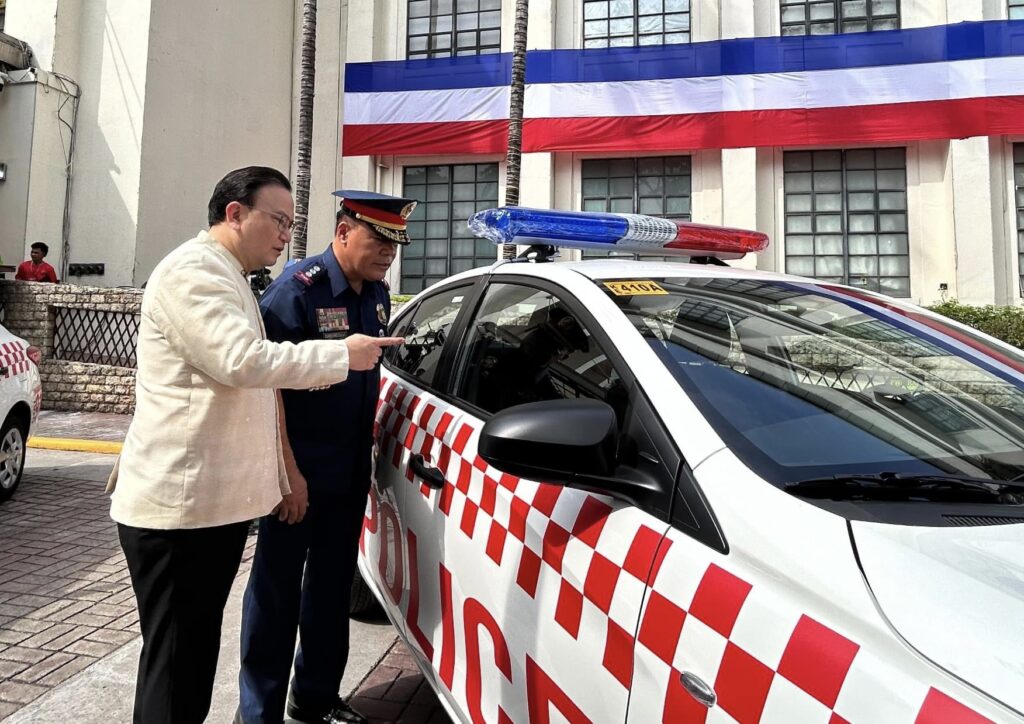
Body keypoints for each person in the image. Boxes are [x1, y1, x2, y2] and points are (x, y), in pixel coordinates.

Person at [107, 167, 402, 724]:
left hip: (309, 479)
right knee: (194, 651)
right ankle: (259, 713)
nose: (286, 234)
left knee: (193, 655)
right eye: (278, 220)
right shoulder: (212, 275)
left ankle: (313, 697)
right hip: (195, 502)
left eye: (291, 223)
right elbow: (248, 367)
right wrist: (341, 357)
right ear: (235, 213)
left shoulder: (235, 275)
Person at [237, 190, 416, 724]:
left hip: (347, 471)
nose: (388, 251)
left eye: (394, 242)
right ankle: (258, 713)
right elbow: (263, 395)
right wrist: (287, 474)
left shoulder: (377, 294)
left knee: (332, 590)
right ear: (342, 232)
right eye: (378, 238)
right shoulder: (296, 294)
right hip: (296, 473)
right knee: (276, 596)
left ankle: (313, 699)